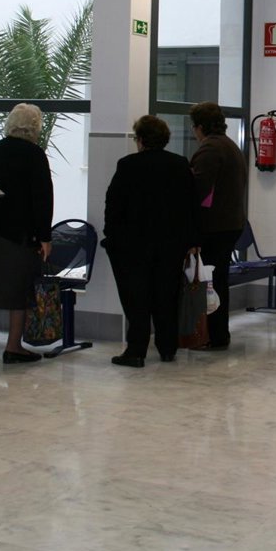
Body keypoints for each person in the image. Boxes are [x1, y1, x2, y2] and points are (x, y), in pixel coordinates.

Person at [102, 116, 199, 367]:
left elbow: (113, 204)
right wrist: (191, 240)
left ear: (141, 140)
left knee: (136, 298)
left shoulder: (128, 165)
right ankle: (167, 347)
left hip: (133, 245)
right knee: (167, 295)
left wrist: (111, 236)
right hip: (171, 244)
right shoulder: (179, 164)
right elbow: (191, 205)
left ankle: (136, 350)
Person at [0, 103, 53, 364]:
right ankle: (14, 346)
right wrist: (45, 236)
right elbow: (43, 198)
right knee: (20, 291)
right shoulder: (34, 155)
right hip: (21, 235)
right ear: (35, 127)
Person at [188, 101, 248, 350]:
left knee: (210, 282)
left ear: (200, 126)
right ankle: (218, 333)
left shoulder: (210, 148)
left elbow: (197, 190)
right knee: (218, 280)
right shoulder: (230, 145)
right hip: (231, 223)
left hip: (215, 227)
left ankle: (213, 335)